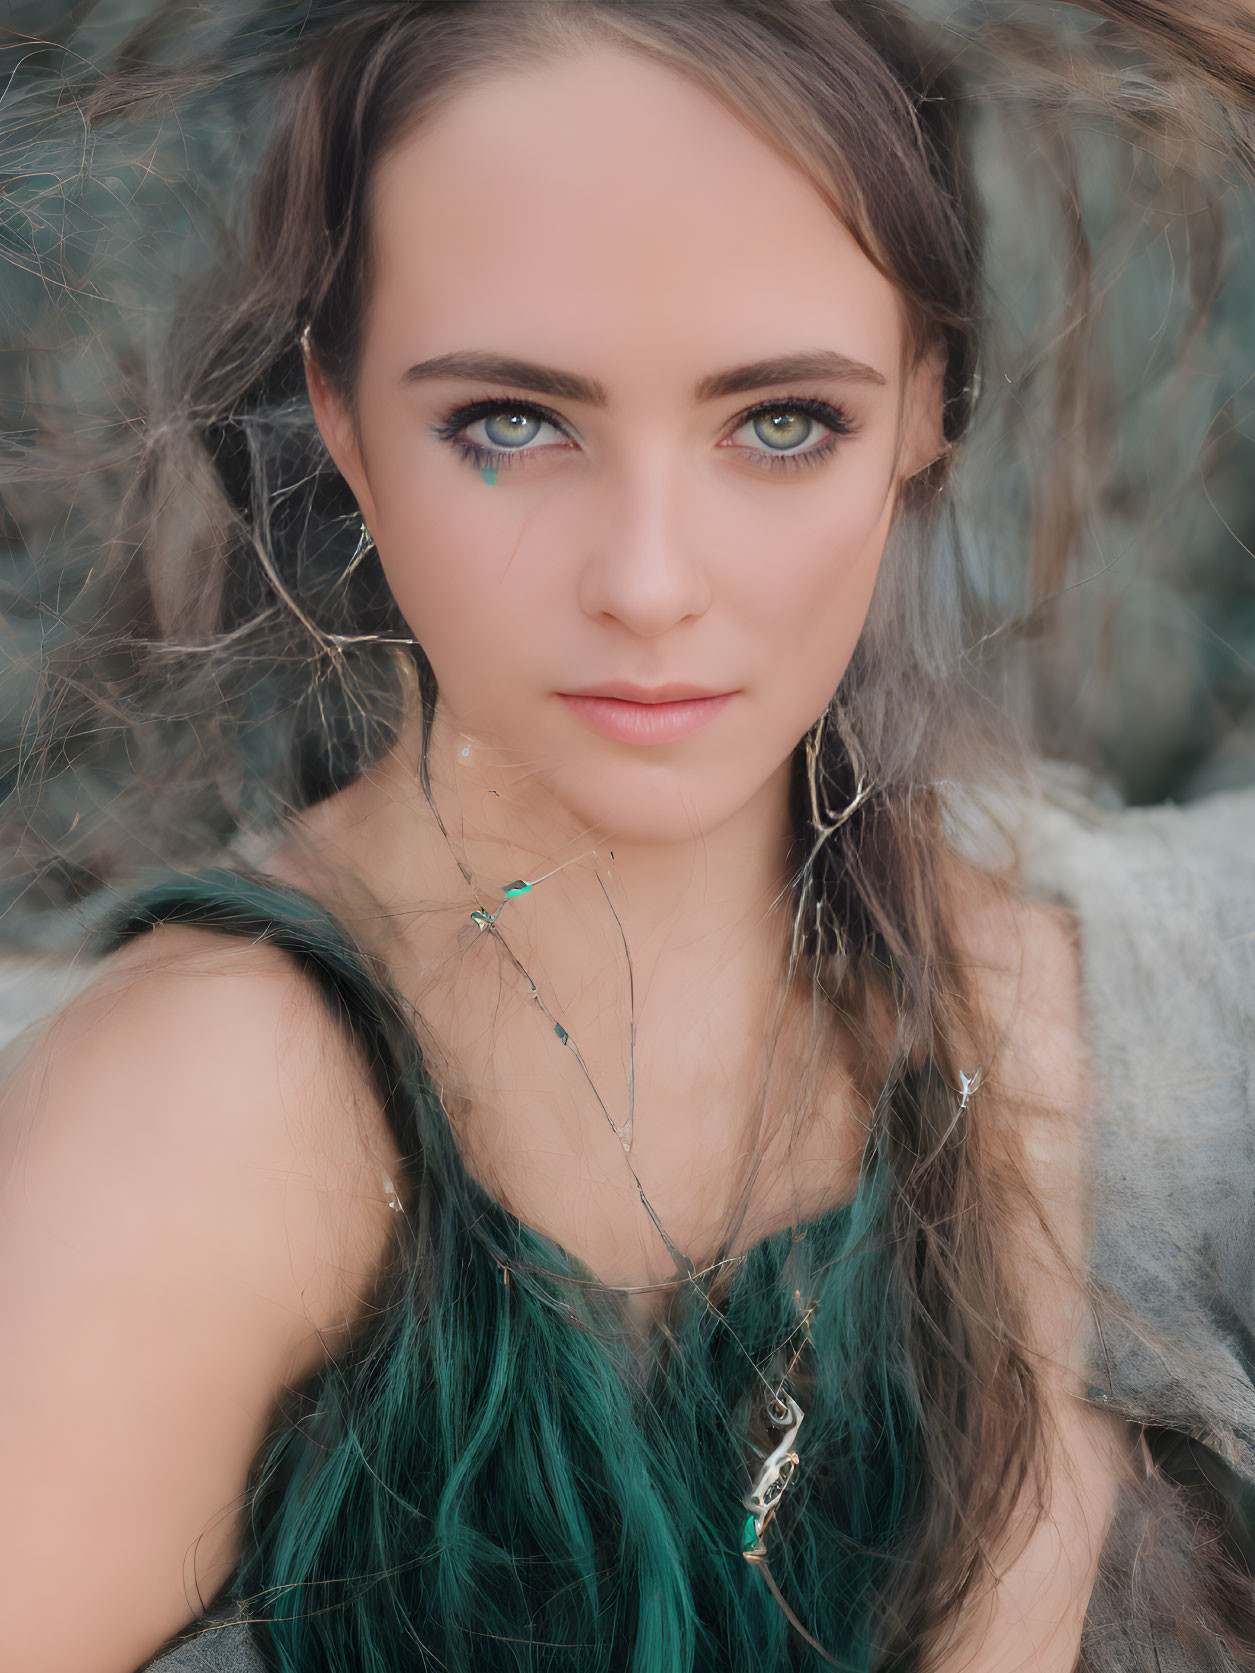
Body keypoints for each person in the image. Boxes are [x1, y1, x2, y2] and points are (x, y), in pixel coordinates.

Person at [2, 2, 1255, 1669]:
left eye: (782, 420)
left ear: (931, 412)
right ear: (348, 422)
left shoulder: (1058, 1001)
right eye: (513, 422)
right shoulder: (210, 1113)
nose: (650, 582)